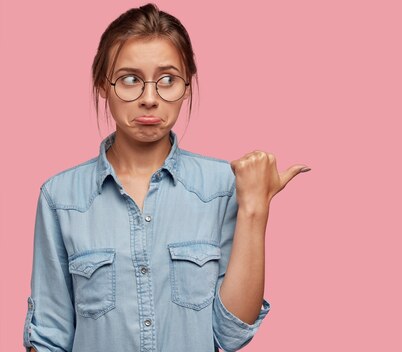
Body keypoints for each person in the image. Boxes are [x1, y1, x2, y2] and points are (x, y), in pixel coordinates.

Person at [22, 3, 309, 352]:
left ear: (187, 86)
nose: (149, 99)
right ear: (102, 85)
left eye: (167, 80)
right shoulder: (61, 197)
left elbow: (230, 335)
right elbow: (50, 337)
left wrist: (254, 209)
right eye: (130, 80)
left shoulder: (222, 187)